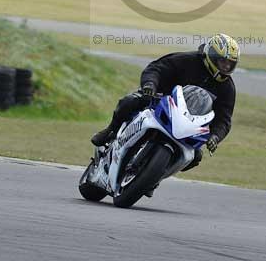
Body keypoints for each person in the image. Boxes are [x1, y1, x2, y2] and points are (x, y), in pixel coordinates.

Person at [91, 33, 240, 167]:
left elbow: (224, 119)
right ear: (212, 56)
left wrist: (215, 136)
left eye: (230, 64)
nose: (226, 67)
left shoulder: (227, 88)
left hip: (188, 123)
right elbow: (157, 68)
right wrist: (150, 85)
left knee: (195, 157)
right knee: (130, 101)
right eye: (223, 62)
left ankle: (157, 174)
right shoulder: (187, 60)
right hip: (161, 101)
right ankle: (110, 131)